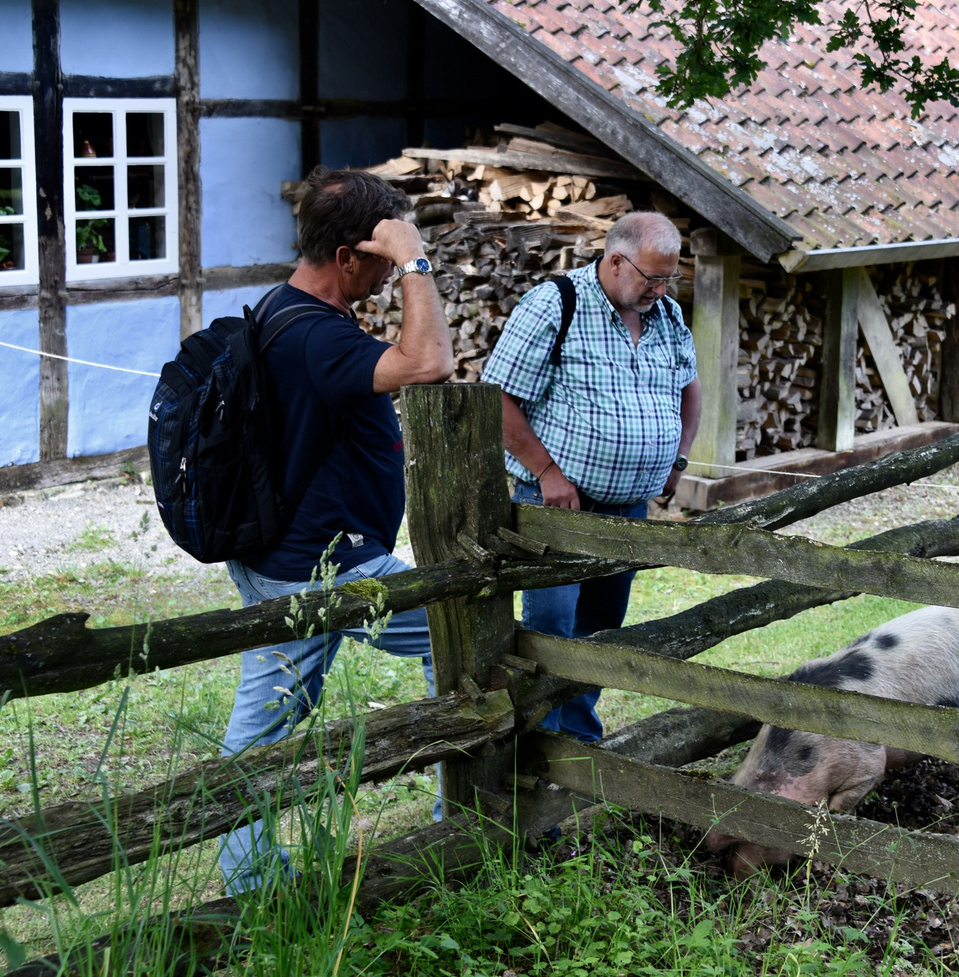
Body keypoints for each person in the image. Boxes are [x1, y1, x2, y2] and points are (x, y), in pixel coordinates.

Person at [216, 166, 454, 893]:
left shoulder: (284, 312)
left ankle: (251, 872)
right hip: (321, 565)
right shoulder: (313, 335)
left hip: (295, 553)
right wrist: (416, 257)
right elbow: (429, 362)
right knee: (459, 628)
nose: (389, 278)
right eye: (380, 263)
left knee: (265, 723)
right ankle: (467, 813)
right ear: (347, 257)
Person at [483, 211, 700, 742]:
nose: (661, 289)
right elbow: (497, 398)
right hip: (559, 505)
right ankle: (537, 750)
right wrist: (547, 471)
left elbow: (690, 388)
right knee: (551, 630)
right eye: (652, 277)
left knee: (600, 633)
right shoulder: (556, 305)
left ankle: (578, 751)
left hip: (628, 508)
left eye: (670, 277)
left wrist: (677, 457)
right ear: (615, 260)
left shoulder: (667, 316)